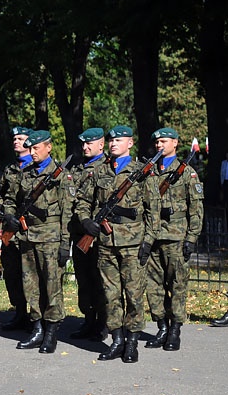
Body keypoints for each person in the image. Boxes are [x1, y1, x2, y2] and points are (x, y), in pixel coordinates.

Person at [76, 125, 155, 363]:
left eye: (119, 140)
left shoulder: (141, 172)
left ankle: (131, 342)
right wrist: (86, 221)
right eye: (111, 140)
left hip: (133, 244)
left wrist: (148, 241)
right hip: (105, 243)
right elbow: (82, 201)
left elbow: (153, 211)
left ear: (130, 143)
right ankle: (116, 339)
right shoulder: (99, 172)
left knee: (133, 295)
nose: (113, 144)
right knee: (110, 295)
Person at [2, 130, 71, 353]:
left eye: (36, 148)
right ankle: (37, 327)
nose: (31, 152)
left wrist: (64, 244)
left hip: (50, 238)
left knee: (51, 287)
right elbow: (11, 198)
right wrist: (10, 216)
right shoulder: (26, 173)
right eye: (29, 148)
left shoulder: (61, 175)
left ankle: (51, 331)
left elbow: (68, 212)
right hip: (27, 237)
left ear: (48, 147)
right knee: (31, 286)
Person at [144, 128, 204, 350]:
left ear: (175, 143)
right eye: (157, 141)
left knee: (177, 285)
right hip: (153, 237)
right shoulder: (149, 172)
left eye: (163, 141)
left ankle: (175, 330)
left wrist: (192, 238)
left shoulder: (187, 173)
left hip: (177, 237)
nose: (159, 145)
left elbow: (196, 208)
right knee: (154, 286)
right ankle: (161, 327)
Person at [68, 128, 109, 341]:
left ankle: (103, 323)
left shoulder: (107, 168)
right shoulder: (76, 169)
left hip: (98, 235)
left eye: (89, 144)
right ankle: (88, 319)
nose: (85, 147)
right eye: (83, 144)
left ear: (101, 145)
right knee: (83, 281)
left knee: (99, 281)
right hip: (79, 233)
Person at [0, 126, 33, 330]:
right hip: (11, 229)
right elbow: (0, 195)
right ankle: (20, 313)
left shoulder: (36, 167)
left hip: (30, 231)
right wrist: (5, 213)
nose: (16, 141)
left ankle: (37, 317)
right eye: (14, 138)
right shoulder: (10, 169)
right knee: (12, 272)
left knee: (31, 275)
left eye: (20, 138)